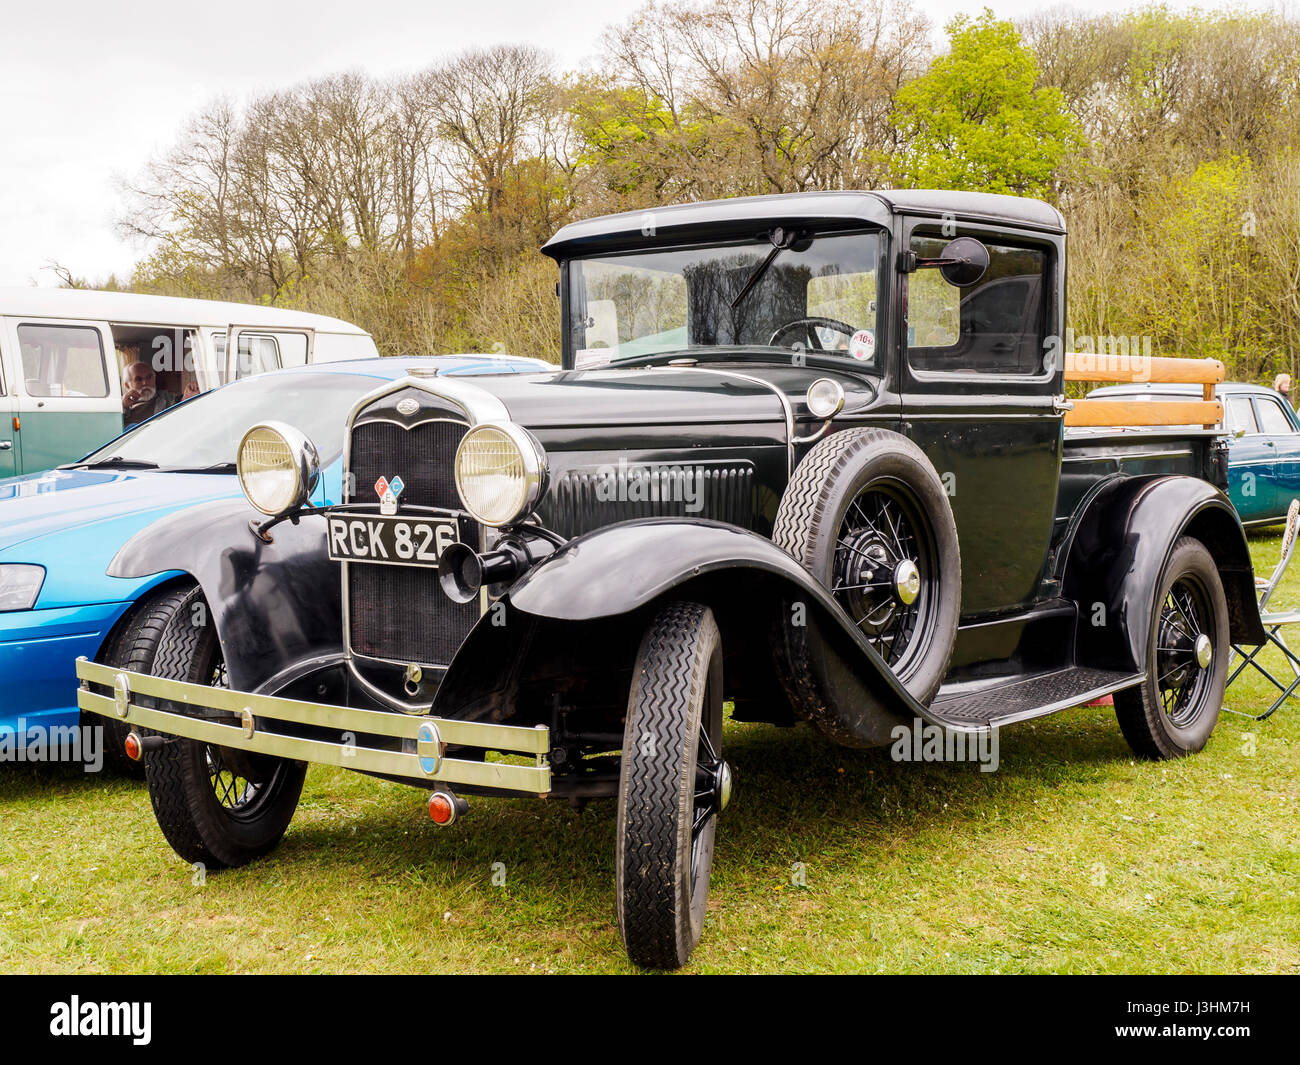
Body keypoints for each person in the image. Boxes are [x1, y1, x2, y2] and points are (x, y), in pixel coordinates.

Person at [121, 361, 180, 427]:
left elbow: (181, 405)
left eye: (149, 377)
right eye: (138, 379)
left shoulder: (166, 398)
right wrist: (123, 406)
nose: (145, 383)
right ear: (127, 385)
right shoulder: (120, 406)